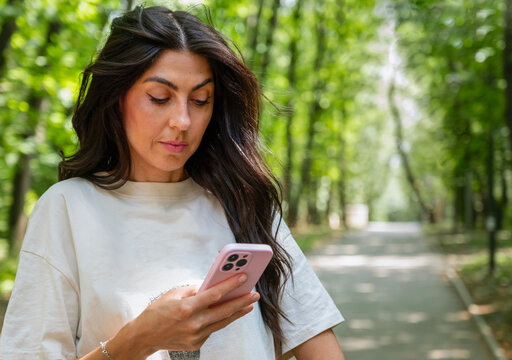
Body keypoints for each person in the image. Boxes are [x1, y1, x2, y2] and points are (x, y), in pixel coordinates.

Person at [0, 5, 345, 360]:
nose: (182, 120)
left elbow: (319, 345)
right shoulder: (68, 209)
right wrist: (139, 339)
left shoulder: (243, 203)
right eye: (160, 98)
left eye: (200, 100)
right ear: (117, 98)